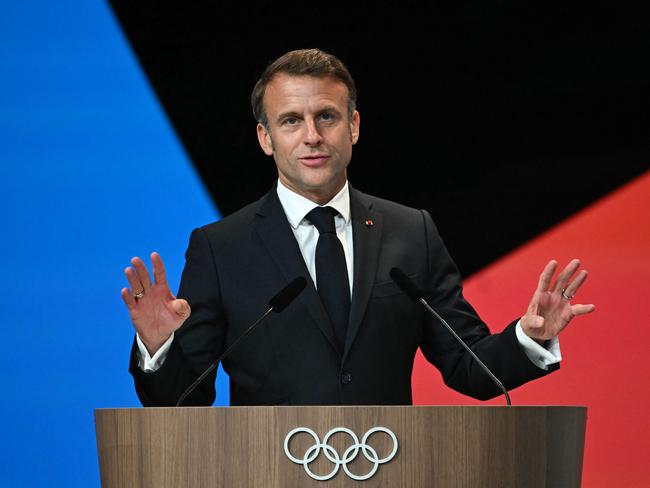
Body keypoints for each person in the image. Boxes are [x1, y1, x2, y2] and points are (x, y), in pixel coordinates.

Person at [121, 48, 595, 406]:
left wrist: (529, 337)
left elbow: (467, 365)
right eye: (291, 121)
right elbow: (185, 400)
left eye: (326, 116)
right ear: (266, 138)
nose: (312, 135)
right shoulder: (220, 248)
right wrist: (159, 347)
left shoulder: (412, 232)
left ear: (354, 126)